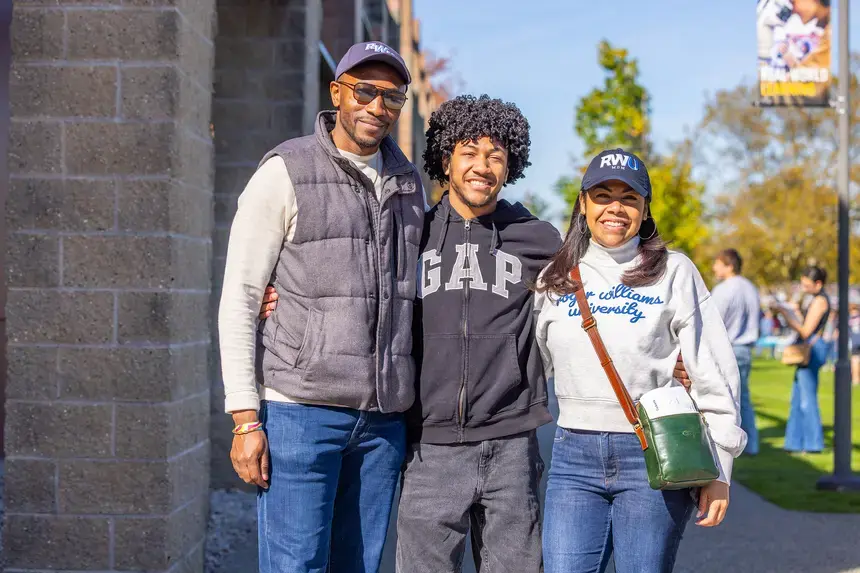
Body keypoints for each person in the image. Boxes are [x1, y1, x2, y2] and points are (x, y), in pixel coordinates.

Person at [218, 41, 425, 573]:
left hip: (382, 423)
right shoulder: (285, 172)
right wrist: (245, 419)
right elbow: (241, 297)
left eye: (392, 97)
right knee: (296, 566)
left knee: (358, 566)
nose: (377, 107)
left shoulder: (408, 186)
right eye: (365, 91)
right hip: (300, 412)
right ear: (337, 93)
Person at [535, 148, 747, 573]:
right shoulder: (556, 276)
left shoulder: (675, 271)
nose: (615, 207)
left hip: (652, 454)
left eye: (629, 197)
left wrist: (720, 465)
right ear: (583, 204)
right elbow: (533, 369)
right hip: (572, 456)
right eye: (602, 195)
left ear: (645, 208)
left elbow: (713, 368)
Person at [390, 94, 560, 572]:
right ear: (446, 159)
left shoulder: (537, 238)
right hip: (430, 449)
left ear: (509, 167)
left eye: (495, 155)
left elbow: (600, 292)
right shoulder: (413, 235)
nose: (482, 166)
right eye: (469, 151)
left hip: (512, 446)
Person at [774, 266, 830, 454]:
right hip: (812, 348)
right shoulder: (814, 299)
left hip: (813, 349)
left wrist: (786, 315)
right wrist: (795, 312)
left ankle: (813, 443)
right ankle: (794, 443)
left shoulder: (820, 301)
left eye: (807, 284)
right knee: (798, 397)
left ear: (818, 284)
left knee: (807, 398)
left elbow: (805, 331)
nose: (804, 288)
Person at [711, 248, 761, 455]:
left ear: (729, 265)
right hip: (745, 348)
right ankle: (751, 445)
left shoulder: (724, 290)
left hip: (727, 348)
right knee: (744, 398)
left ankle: (727, 443)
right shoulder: (750, 288)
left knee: (724, 398)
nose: (714, 267)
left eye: (718, 263)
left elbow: (712, 321)